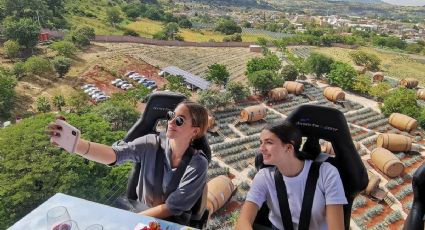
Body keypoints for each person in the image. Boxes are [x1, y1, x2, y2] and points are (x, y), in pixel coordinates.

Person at [47, 101, 209, 221]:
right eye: (170, 116)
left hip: (170, 220)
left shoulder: (198, 164)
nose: (170, 122)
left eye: (179, 120)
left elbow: (171, 207)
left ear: (194, 131)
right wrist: (77, 145)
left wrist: (130, 221)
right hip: (140, 210)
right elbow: (115, 154)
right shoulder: (150, 143)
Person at [236, 121, 347, 230]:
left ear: (289, 148)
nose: (261, 148)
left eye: (269, 142)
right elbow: (242, 222)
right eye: (261, 142)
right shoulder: (264, 177)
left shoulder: (327, 174)